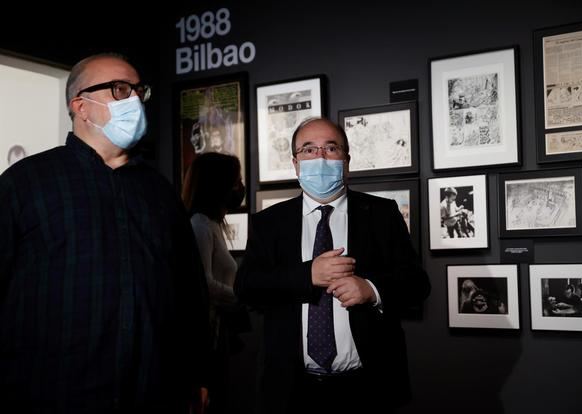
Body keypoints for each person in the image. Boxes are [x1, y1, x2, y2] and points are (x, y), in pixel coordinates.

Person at [0, 53, 210, 414]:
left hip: (154, 392)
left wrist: (198, 374)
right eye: (119, 89)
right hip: (51, 394)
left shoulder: (160, 192)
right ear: (81, 106)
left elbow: (190, 293)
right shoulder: (26, 183)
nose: (134, 100)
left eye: (138, 91)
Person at [235, 117, 431, 414]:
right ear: (295, 163)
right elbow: (247, 287)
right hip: (292, 389)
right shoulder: (269, 222)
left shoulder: (381, 213)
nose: (321, 157)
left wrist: (371, 289)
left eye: (331, 148)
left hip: (368, 386)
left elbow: (417, 284)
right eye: (309, 150)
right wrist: (306, 274)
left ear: (346, 160)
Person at [182, 152, 248, 413]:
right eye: (236, 181)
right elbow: (203, 283)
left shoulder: (212, 224)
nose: (239, 187)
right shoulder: (200, 225)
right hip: (205, 338)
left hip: (217, 333)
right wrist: (241, 295)